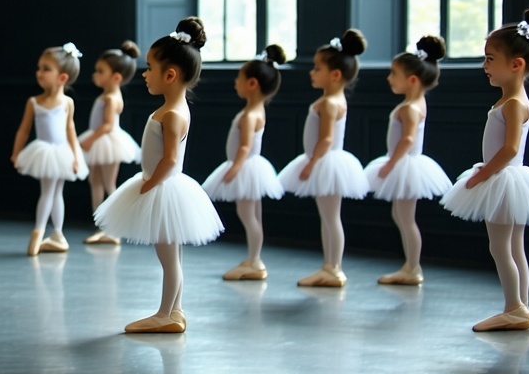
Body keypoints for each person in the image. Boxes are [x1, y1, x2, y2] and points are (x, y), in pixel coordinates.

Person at [94, 18, 223, 333]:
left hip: (164, 188)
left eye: (150, 67)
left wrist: (149, 184)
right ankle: (175, 310)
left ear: (170, 74)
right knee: (172, 255)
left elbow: (169, 159)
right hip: (166, 187)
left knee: (168, 258)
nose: (144, 73)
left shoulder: (172, 114)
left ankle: (166, 313)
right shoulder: (173, 110)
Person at [441, 9, 529, 331]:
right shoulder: (513, 99)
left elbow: (509, 149)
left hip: (503, 178)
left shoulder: (513, 103)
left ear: (516, 64)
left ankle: (514, 308)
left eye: (490, 59)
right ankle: (520, 305)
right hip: (509, 179)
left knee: (500, 246)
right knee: (513, 246)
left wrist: (482, 174)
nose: (485, 66)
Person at [277, 30, 370, 287]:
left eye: (317, 68)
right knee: (329, 217)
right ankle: (330, 265)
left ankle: (334, 267)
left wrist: (311, 163)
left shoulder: (330, 102)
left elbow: (326, 139)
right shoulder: (331, 99)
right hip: (326, 161)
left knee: (330, 217)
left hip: (326, 161)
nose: (312, 72)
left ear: (335, 74)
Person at [361, 36, 453, 285]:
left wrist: (391, 164)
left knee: (405, 218)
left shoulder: (411, 108)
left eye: (394, 73)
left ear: (412, 79)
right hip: (406, 163)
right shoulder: (414, 103)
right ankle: (410, 265)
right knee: (401, 216)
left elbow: (408, 139)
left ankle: (413, 267)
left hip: (406, 163)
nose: (389, 78)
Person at [201, 45, 287, 280]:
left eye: (239, 78)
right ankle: (253, 257)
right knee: (253, 215)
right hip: (252, 167)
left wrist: (235, 168)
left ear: (252, 84)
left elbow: (245, 147)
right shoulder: (256, 110)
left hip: (247, 167)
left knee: (248, 215)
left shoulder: (250, 115)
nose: (235, 82)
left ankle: (256, 260)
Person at [12, 43, 89, 256]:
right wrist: (16, 152)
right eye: (40, 68)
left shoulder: (68, 103)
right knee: (48, 191)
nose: (39, 73)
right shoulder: (34, 102)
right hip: (44, 152)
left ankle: (55, 233)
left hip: (61, 153)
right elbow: (23, 131)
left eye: (46, 69)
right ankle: (40, 232)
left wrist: (75, 156)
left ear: (62, 77)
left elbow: (70, 130)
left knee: (56, 193)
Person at [79, 41, 142, 245]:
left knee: (108, 184)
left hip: (106, 142)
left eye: (100, 71)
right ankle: (101, 225)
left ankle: (113, 228)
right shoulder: (106, 95)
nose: (94, 75)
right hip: (101, 140)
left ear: (116, 77)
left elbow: (107, 125)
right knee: (95, 182)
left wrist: (89, 139)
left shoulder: (112, 99)